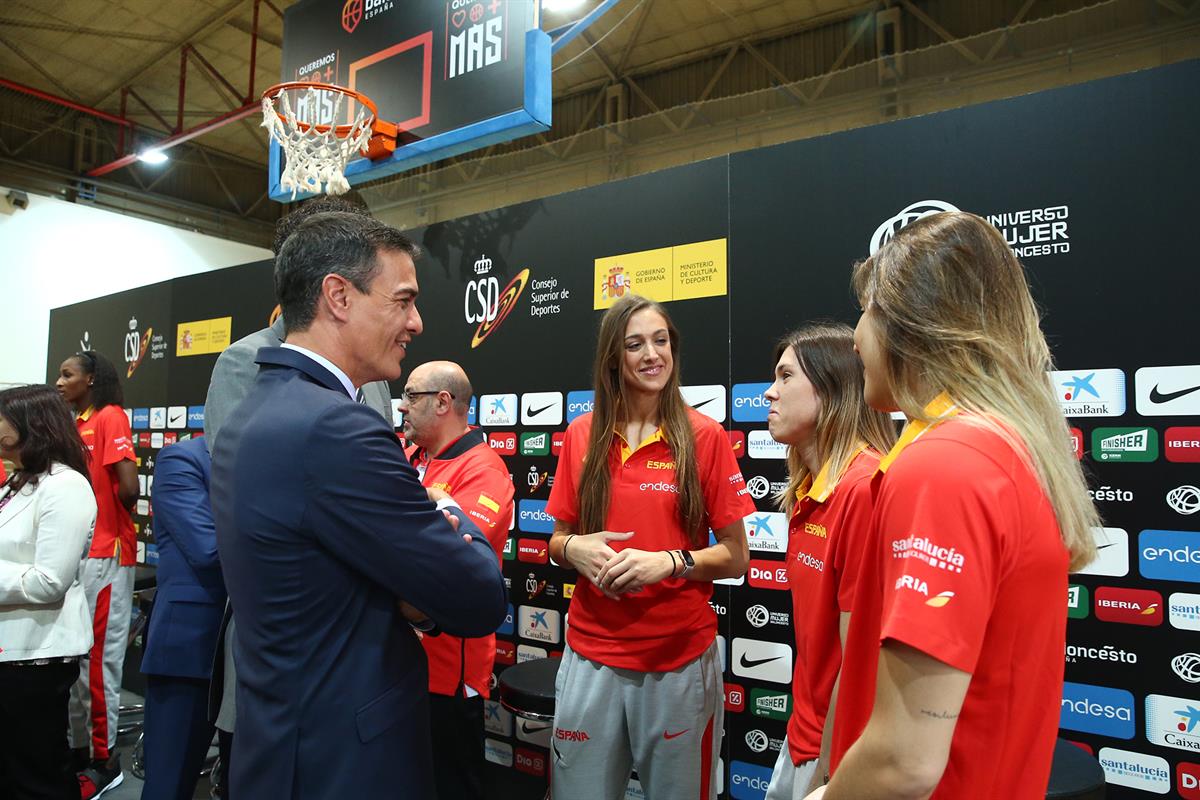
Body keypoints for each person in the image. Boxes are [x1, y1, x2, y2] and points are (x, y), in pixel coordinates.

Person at [210, 211, 508, 799]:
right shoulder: (336, 429)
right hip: (343, 760)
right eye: (403, 301)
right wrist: (449, 527)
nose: (416, 322)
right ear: (338, 296)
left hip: (282, 746)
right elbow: (477, 595)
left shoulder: (255, 412)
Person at [813, 212, 1099, 799]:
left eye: (864, 314)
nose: (856, 340)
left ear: (907, 327)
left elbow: (904, 762)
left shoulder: (946, 465)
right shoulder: (1004, 447)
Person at [203, 195, 393, 783]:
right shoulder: (246, 363)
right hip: (292, 654)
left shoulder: (375, 373)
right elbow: (255, 507)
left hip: (367, 655)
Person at [545, 294, 753, 800]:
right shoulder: (582, 434)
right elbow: (555, 540)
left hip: (678, 660)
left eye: (661, 341)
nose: (651, 354)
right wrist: (574, 550)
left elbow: (737, 555)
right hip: (591, 654)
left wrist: (671, 562)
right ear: (614, 358)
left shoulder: (705, 437)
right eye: (635, 344)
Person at [759, 323, 895, 800]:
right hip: (805, 739)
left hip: (836, 753)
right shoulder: (810, 491)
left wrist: (829, 778)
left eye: (785, 376)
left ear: (831, 387)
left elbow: (858, 660)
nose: (770, 393)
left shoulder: (862, 490)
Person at [401, 360, 515, 800]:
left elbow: (456, 562)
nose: (403, 407)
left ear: (443, 402)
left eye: (412, 396)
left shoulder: (483, 468)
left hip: (447, 671)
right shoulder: (408, 455)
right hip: (395, 659)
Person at [0, 385, 97, 800]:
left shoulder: (66, 486)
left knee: (35, 775)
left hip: (35, 659)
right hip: (12, 653)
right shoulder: (20, 482)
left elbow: (49, 580)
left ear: (28, 423)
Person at [55, 350, 138, 798]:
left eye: (68, 374)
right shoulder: (75, 422)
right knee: (76, 660)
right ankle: (80, 750)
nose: (60, 381)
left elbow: (127, 488)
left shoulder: (109, 417)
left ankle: (107, 762)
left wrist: (105, 521)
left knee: (100, 662)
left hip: (107, 553)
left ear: (91, 379)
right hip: (80, 553)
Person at [140, 436, 226, 800]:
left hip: (258, 650)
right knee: (169, 782)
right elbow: (207, 550)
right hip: (190, 647)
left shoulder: (278, 457)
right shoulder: (184, 458)